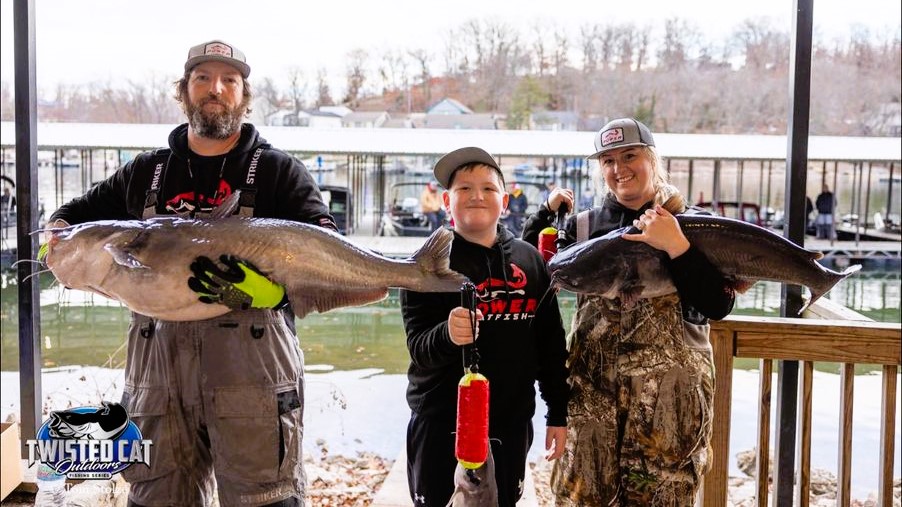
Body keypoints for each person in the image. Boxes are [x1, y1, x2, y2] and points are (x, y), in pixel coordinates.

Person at [45, 40, 337, 506]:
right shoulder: (144, 172)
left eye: (229, 80)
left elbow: (328, 251)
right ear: (184, 92)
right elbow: (68, 219)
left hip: (254, 377)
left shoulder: (280, 171)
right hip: (156, 376)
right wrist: (63, 248)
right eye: (202, 78)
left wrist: (274, 294)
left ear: (244, 95)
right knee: (156, 498)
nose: (215, 89)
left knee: (267, 499)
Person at [523, 118, 735, 505]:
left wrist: (679, 249)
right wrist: (542, 214)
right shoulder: (580, 228)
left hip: (670, 408)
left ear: (652, 158)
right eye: (608, 160)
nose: (619, 169)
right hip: (591, 404)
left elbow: (719, 305)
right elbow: (527, 276)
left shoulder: (698, 224)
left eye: (630, 155)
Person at [402, 147, 569, 507]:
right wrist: (447, 335)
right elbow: (418, 348)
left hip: (509, 422)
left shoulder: (532, 261)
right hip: (440, 423)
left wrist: (558, 412)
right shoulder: (424, 265)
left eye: (488, 189)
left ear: (504, 201)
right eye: (464, 188)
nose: (477, 196)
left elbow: (551, 345)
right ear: (447, 201)